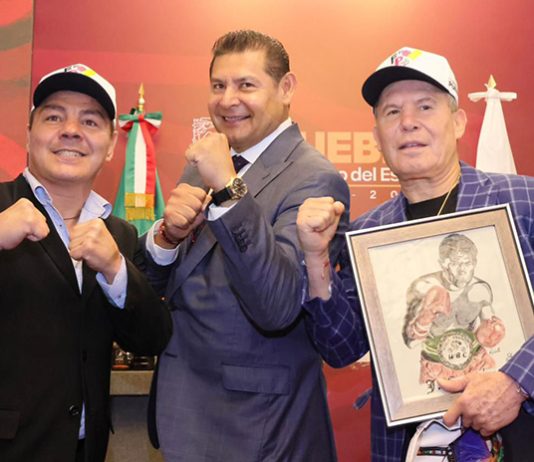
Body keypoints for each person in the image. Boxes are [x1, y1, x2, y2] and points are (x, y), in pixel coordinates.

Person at [296, 47, 534, 461]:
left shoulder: (524, 201)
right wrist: (316, 259)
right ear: (377, 137)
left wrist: (517, 381)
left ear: (458, 122)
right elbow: (341, 348)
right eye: (392, 112)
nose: (408, 122)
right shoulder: (368, 235)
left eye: (425, 106)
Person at [142, 30, 350, 461]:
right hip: (185, 412)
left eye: (246, 85)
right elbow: (159, 288)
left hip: (257, 428)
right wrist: (167, 238)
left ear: (286, 88)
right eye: (218, 85)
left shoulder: (314, 178)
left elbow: (277, 305)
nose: (227, 100)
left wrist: (228, 189)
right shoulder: (203, 166)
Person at [0, 64, 172, 462]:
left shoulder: (119, 234)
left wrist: (115, 269)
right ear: (29, 133)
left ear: (110, 146)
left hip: (86, 449)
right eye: (54, 117)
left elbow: (151, 338)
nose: (71, 131)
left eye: (90, 121)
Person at [403, 233, 504, 392]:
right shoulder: (424, 287)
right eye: (455, 263)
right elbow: (411, 343)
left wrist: (493, 333)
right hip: (436, 367)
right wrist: (426, 315)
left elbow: (491, 341)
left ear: (475, 262)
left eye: (467, 263)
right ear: (442, 264)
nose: (462, 270)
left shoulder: (480, 289)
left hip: (474, 364)